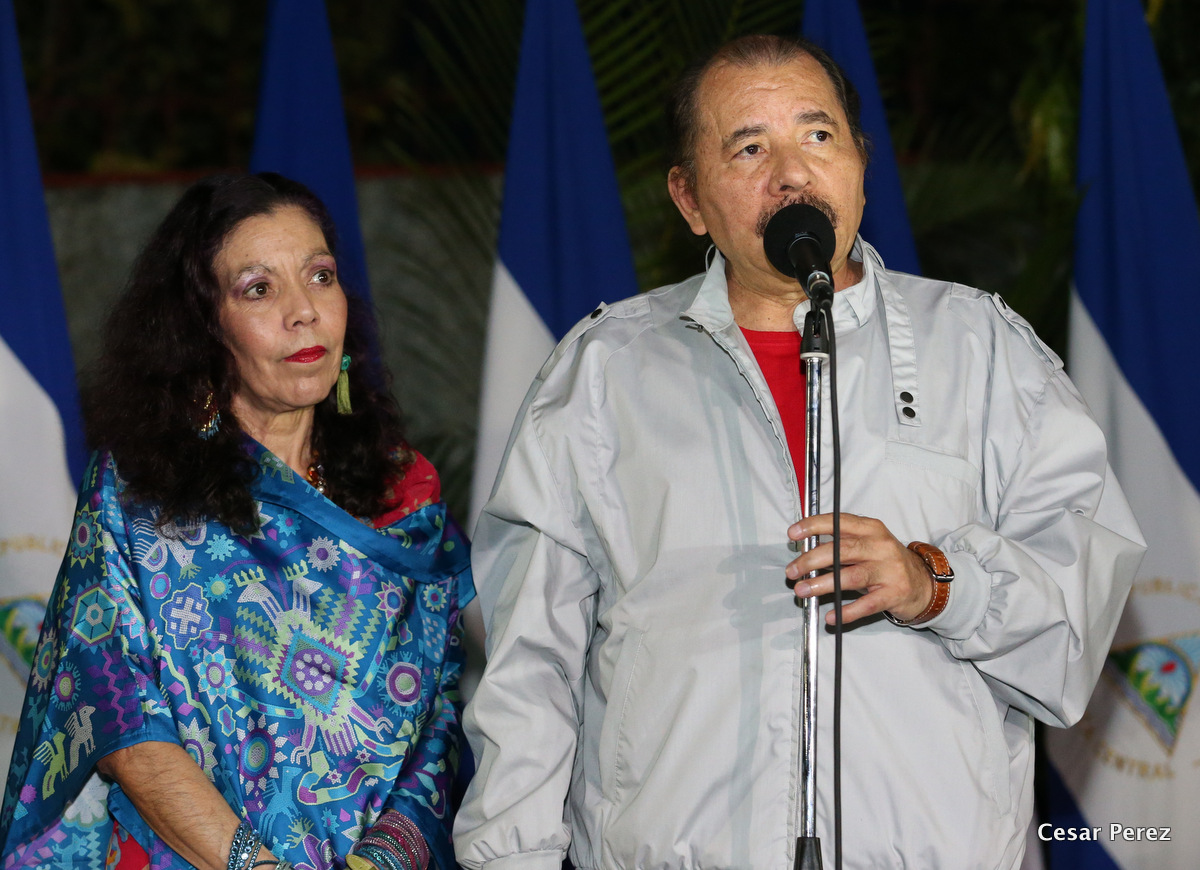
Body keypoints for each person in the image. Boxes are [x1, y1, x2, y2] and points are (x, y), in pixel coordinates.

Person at [453, 34, 1145, 869]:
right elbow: (527, 670)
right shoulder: (603, 373)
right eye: (749, 147)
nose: (792, 173)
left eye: (818, 136)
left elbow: (1076, 625)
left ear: (861, 165)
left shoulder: (982, 350)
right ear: (689, 199)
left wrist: (934, 584)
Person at [0, 174, 474, 870]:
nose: (303, 311)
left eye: (320, 276)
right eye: (258, 289)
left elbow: (439, 715)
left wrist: (385, 858)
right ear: (203, 327)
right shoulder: (137, 497)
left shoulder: (403, 493)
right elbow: (121, 720)